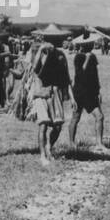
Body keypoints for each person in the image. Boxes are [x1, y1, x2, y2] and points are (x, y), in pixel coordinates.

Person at [28, 25, 72, 166]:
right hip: (41, 92)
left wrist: (71, 97)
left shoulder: (60, 55)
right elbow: (34, 70)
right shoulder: (38, 52)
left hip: (55, 92)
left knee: (58, 126)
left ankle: (49, 147)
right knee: (43, 125)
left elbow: (66, 78)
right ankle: (42, 156)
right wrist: (41, 50)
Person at [66, 34, 107, 149]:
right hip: (79, 93)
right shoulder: (78, 57)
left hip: (91, 93)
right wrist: (87, 58)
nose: (92, 45)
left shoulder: (93, 57)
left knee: (99, 116)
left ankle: (99, 143)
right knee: (75, 118)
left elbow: (95, 75)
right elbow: (80, 73)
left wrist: (98, 91)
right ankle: (71, 143)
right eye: (89, 44)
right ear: (83, 45)